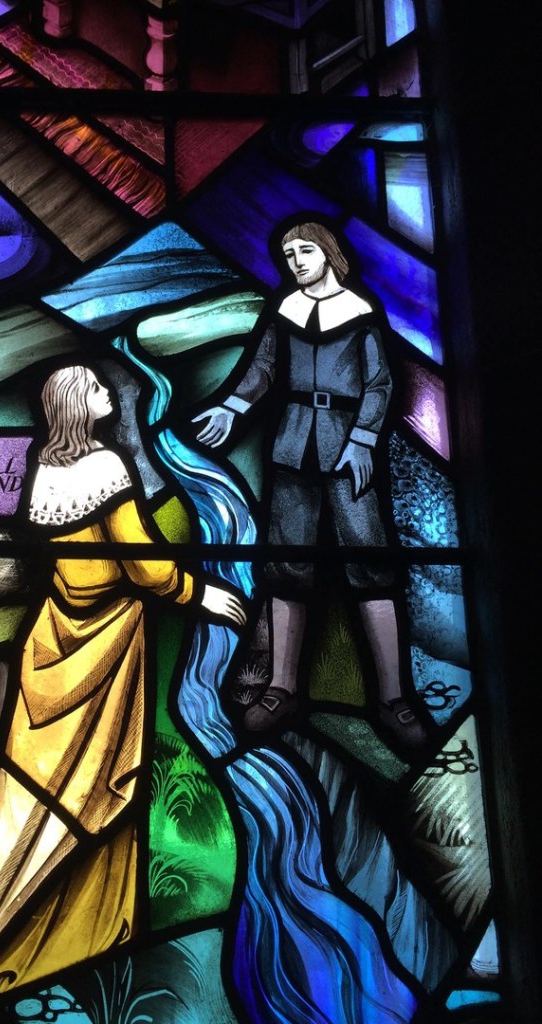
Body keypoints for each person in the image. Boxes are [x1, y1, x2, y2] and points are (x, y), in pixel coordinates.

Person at [0, 363, 245, 992]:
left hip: (53, 634)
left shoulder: (44, 473)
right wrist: (197, 593)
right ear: (79, 404)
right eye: (97, 388)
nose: (107, 394)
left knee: (34, 785)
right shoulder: (103, 467)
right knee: (98, 785)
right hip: (106, 640)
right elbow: (141, 561)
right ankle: (91, 932)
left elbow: (68, 562)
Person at [194, 221, 428, 751]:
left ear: (329, 253)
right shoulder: (286, 311)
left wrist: (363, 439)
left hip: (349, 451)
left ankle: (393, 697)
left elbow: (379, 383)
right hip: (293, 444)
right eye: (287, 253)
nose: (295, 261)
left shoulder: (360, 314)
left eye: (305, 250)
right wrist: (233, 407)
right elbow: (263, 368)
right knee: (286, 563)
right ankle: (282, 688)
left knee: (370, 563)